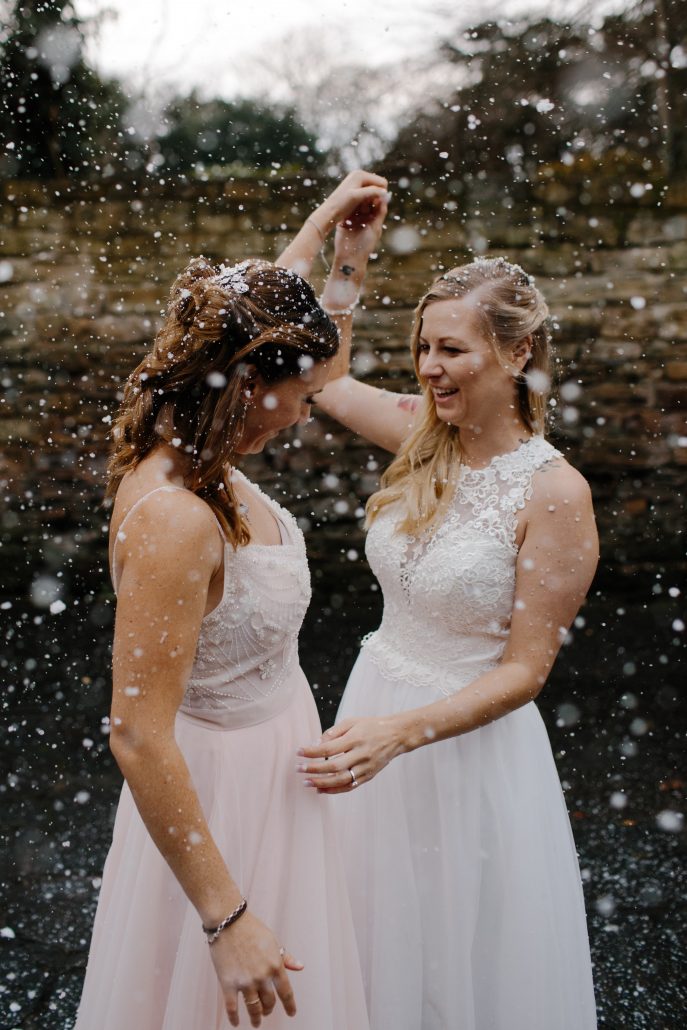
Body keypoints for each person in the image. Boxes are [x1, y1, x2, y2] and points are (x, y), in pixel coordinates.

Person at [75, 170, 388, 1030]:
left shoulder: (192, 435)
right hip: (224, 800)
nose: (305, 406)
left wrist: (336, 247)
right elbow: (138, 734)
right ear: (249, 380)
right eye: (296, 391)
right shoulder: (178, 517)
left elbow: (268, 326)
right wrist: (227, 917)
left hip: (277, 763)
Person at [292, 247, 600, 1028]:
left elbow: (527, 672)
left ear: (516, 351)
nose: (429, 369)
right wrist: (350, 260)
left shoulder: (554, 492)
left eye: (452, 349)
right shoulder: (419, 434)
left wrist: (404, 733)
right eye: (423, 347)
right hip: (375, 712)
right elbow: (324, 381)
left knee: (459, 962)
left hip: (463, 745)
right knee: (367, 940)